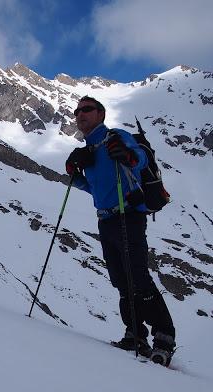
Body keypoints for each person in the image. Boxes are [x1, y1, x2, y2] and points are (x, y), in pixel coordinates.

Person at [65, 96, 176, 366]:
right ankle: (135, 334)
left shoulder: (115, 136)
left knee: (138, 278)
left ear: (101, 114)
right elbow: (94, 188)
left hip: (129, 216)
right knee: (121, 281)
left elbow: (137, 160)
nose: (81, 114)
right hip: (106, 219)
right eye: (77, 111)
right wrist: (75, 173)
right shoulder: (88, 152)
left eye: (87, 109)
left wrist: (126, 155)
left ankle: (164, 338)